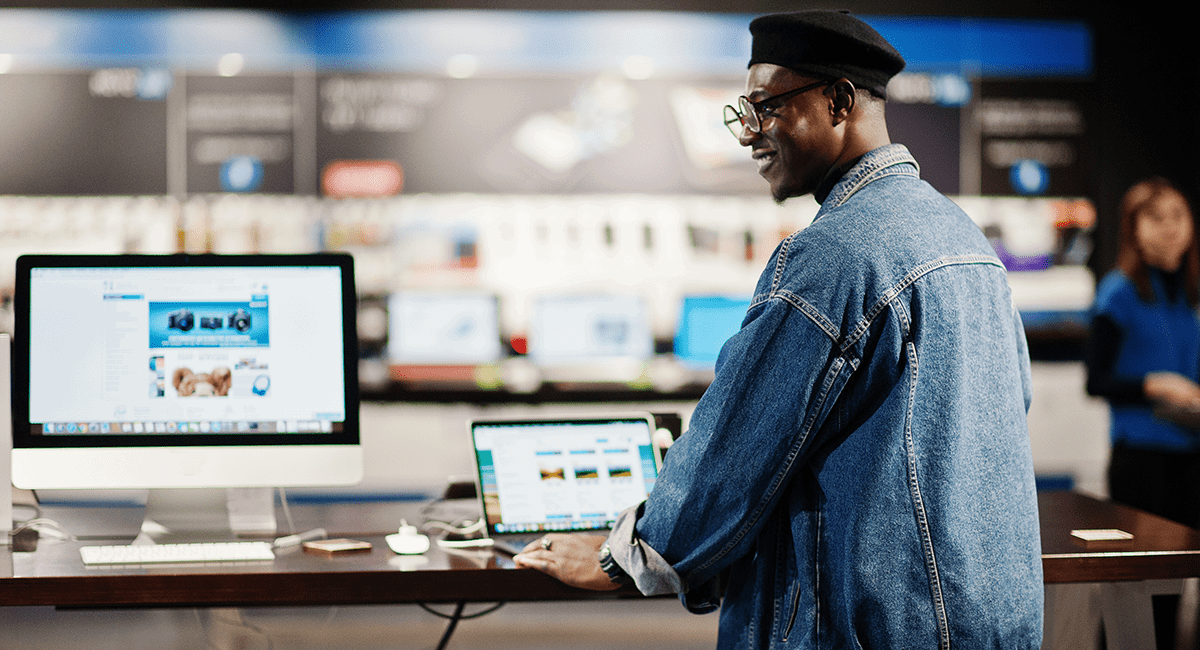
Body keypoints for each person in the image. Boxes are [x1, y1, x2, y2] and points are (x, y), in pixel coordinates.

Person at [515, 11, 1044, 648]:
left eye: (765, 108)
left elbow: (733, 454)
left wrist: (622, 555)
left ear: (839, 101)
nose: (749, 136)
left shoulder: (835, 255)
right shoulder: (967, 242)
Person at [1086, 177, 1200, 527]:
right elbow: (1096, 381)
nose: (1169, 227)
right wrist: (1158, 385)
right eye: (1155, 217)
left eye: (1177, 215)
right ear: (1133, 228)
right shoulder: (1117, 293)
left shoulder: (1190, 294)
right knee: (1147, 576)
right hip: (1141, 456)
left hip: (1192, 451)